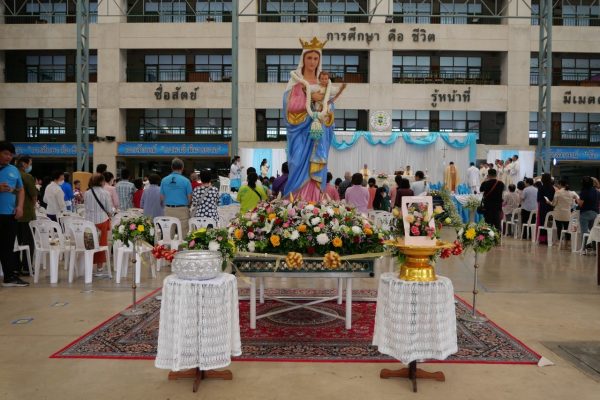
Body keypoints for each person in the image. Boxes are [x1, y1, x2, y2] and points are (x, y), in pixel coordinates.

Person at [283, 37, 335, 202]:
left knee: (317, 165)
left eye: (315, 58)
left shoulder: (324, 85)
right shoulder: (296, 83)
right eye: (309, 58)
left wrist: (325, 113)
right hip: (300, 132)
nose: (312, 62)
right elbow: (290, 106)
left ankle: (315, 201)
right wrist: (311, 97)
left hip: (318, 135)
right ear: (303, 59)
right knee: (297, 161)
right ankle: (296, 200)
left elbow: (330, 110)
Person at [0, 142, 27, 286]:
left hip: (9, 214)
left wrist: (20, 207)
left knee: (8, 246)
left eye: (11, 155)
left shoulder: (13, 170)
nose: (8, 157)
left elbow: (21, 190)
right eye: (5, 153)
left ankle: (9, 277)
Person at [84, 173, 113, 273]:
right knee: (102, 244)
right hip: (102, 221)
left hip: (89, 222)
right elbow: (109, 209)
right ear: (101, 181)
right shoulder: (105, 193)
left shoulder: (87, 193)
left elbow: (86, 207)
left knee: (90, 244)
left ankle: (88, 265)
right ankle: (99, 267)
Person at [160, 158, 192, 237]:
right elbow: (189, 198)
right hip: (182, 210)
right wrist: (187, 205)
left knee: (168, 234)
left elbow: (161, 197)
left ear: (171, 167)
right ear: (182, 168)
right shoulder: (186, 181)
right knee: (183, 235)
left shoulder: (164, 180)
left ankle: (169, 245)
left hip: (168, 209)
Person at [16, 156, 37, 276]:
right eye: (30, 163)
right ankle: (27, 267)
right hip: (26, 215)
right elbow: (33, 195)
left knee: (16, 243)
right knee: (28, 242)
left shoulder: (12, 174)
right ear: (24, 164)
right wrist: (32, 206)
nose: (30, 166)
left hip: (13, 214)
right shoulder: (27, 176)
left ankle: (16, 267)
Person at [577, 176, 599, 247]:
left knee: (584, 232)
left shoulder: (584, 191)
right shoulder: (596, 191)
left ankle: (584, 247)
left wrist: (576, 199)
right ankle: (594, 247)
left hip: (585, 213)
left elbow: (580, 204)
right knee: (593, 231)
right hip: (595, 213)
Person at [537, 173, 555, 244]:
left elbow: (538, 198)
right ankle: (549, 238)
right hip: (550, 206)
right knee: (549, 222)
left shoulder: (541, 187)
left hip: (543, 207)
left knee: (542, 222)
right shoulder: (552, 188)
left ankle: (542, 239)